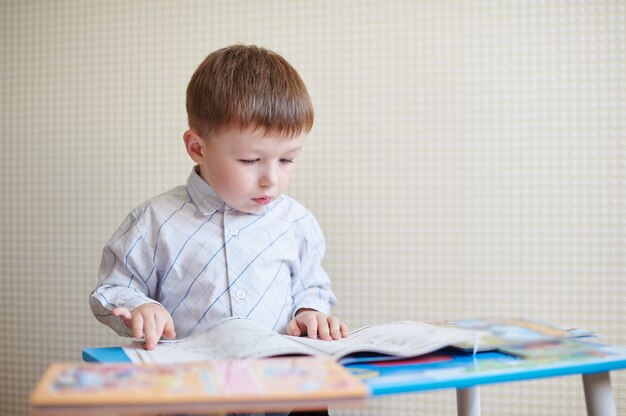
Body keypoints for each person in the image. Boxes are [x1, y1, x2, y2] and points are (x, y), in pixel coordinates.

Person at [90, 44, 348, 353]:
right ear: (198, 148)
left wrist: (310, 313)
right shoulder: (154, 221)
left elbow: (311, 287)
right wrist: (138, 307)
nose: (272, 179)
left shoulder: (296, 222)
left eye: (287, 160)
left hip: (280, 390)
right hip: (188, 391)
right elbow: (114, 288)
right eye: (250, 161)